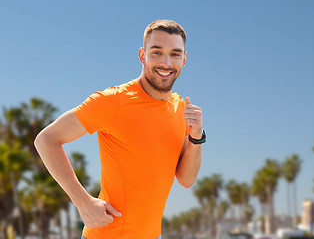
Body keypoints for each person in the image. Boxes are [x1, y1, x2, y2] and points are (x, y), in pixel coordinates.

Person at [34, 19, 204, 239]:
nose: (166, 62)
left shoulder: (181, 107)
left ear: (184, 59)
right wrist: (83, 202)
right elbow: (46, 140)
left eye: (174, 53)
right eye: (156, 52)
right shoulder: (113, 101)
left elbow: (186, 179)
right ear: (142, 55)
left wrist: (196, 136)